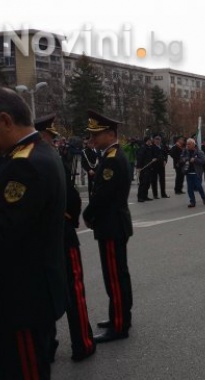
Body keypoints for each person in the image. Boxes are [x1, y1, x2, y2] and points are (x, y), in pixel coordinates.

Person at [0, 88, 67, 379]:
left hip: (22, 301)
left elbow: (6, 232)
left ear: (5, 120)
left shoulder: (25, 165)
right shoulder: (37, 152)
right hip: (27, 294)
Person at [35, 114, 96, 362]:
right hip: (61, 234)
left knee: (42, 292)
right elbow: (71, 197)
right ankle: (82, 342)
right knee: (74, 290)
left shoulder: (16, 159)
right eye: (51, 137)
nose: (53, 142)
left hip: (36, 240)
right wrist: (70, 219)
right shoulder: (49, 158)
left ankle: (46, 345)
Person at [82, 110, 134, 344]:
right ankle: (120, 316)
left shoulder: (112, 158)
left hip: (111, 225)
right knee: (118, 274)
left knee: (114, 276)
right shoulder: (110, 154)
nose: (93, 139)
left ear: (111, 134)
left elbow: (103, 195)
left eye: (97, 134)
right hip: (113, 223)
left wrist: (88, 213)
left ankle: (119, 325)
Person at [180, 138, 205, 207]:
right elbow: (181, 158)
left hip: (196, 172)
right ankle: (192, 202)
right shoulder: (185, 151)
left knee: (198, 186)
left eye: (189, 144)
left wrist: (195, 159)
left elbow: (203, 160)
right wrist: (185, 159)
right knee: (190, 189)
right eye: (187, 144)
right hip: (188, 172)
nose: (187, 145)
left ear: (193, 144)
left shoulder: (199, 152)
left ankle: (203, 198)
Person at [136, 136, 155, 202]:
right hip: (144, 168)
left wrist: (153, 159)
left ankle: (145, 196)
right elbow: (139, 157)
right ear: (147, 141)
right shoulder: (143, 148)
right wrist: (138, 167)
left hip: (149, 167)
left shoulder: (149, 148)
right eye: (150, 140)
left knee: (147, 183)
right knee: (143, 183)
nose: (151, 141)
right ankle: (140, 197)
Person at [150, 134, 170, 199]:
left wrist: (165, 161)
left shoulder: (162, 146)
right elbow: (149, 155)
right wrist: (152, 158)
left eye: (159, 139)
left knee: (162, 180)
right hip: (154, 165)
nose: (158, 141)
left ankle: (163, 193)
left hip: (161, 165)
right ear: (154, 140)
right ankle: (155, 194)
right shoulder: (152, 147)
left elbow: (166, 154)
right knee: (154, 180)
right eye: (156, 139)